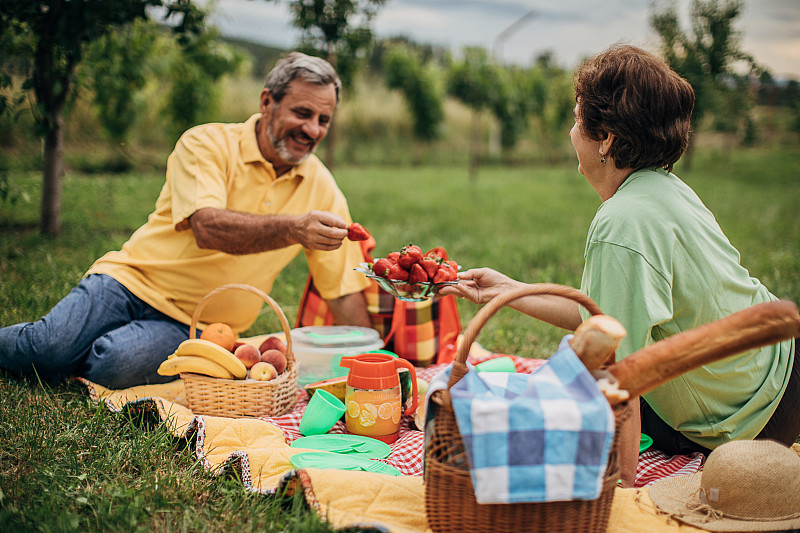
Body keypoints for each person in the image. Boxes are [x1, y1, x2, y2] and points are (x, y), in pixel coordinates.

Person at [439, 44, 799, 486]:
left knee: (570, 393)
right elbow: (602, 319)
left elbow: (618, 384)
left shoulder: (621, 223)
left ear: (605, 137)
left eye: (576, 119)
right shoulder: (665, 189)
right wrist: (508, 291)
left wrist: (623, 495)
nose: (572, 131)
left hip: (745, 422)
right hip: (777, 373)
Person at [0, 52, 372, 389]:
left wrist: (373, 365)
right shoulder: (205, 144)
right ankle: (57, 353)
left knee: (112, 364)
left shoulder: (322, 188)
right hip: (129, 281)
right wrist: (294, 228)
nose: (313, 130)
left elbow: (343, 289)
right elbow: (207, 226)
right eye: (303, 113)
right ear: (266, 102)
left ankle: (73, 355)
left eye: (324, 120)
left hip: (197, 325)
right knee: (47, 346)